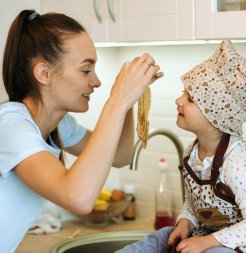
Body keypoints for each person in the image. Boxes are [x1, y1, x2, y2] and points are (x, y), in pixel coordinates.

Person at [116, 40, 246, 253]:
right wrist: (185, 222)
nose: (178, 101)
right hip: (215, 233)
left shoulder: (236, 163)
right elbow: (196, 202)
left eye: (190, 99)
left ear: (216, 116)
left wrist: (205, 242)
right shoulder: (192, 154)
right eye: (183, 93)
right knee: (163, 236)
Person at [0, 10, 163, 252]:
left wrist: (128, 101)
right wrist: (117, 101)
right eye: (86, 70)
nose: (96, 81)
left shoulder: (58, 125)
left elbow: (120, 156)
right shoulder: (11, 125)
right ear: (44, 73)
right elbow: (78, 198)